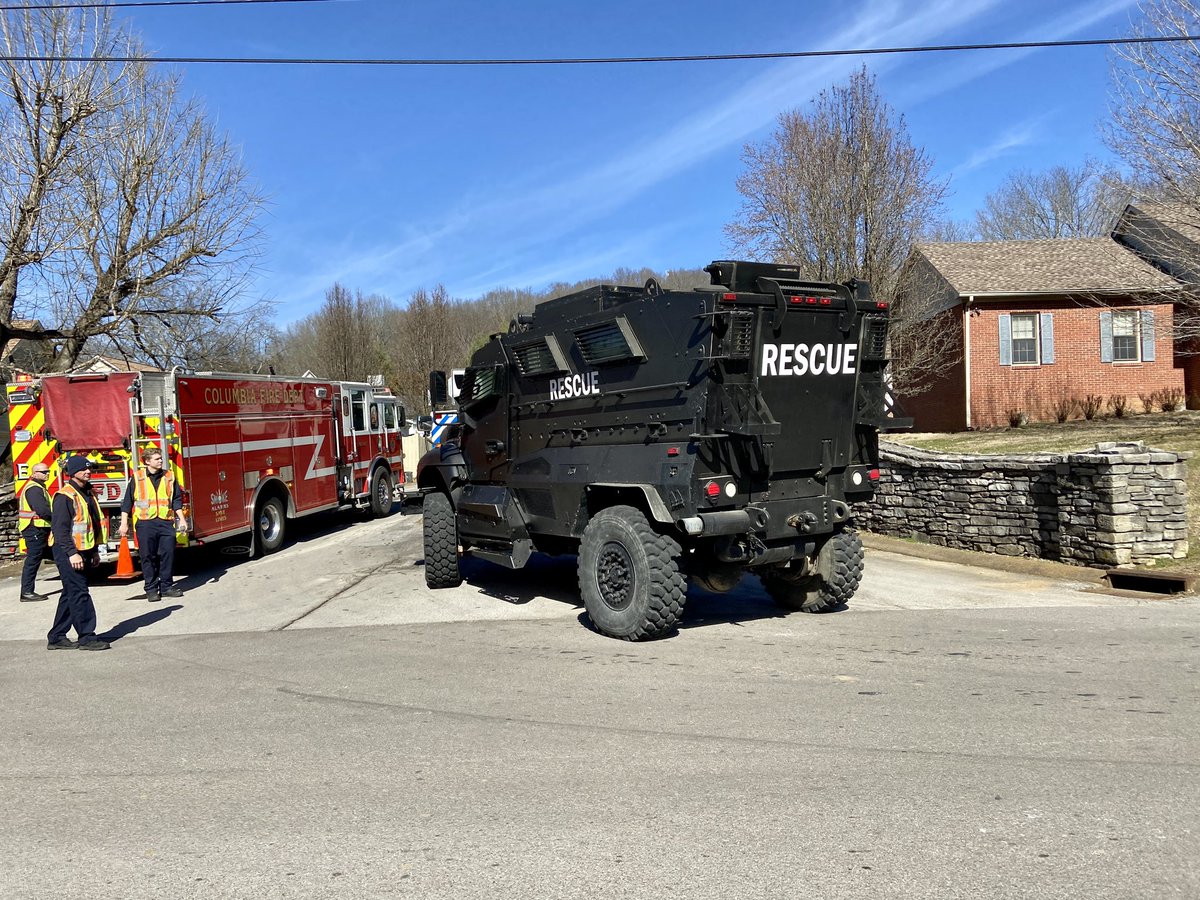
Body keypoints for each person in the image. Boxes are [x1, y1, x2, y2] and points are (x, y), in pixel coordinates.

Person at [47, 456, 109, 651]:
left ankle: (56, 636)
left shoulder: (87, 492)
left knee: (70, 593)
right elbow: (60, 530)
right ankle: (87, 637)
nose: (88, 471)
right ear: (73, 472)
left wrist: (95, 551)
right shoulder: (64, 496)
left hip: (84, 550)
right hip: (67, 551)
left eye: (89, 469)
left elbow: (94, 524)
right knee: (80, 593)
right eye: (83, 469)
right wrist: (72, 553)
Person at [118, 447, 186, 603]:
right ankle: (151, 589)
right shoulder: (138, 478)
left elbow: (176, 500)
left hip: (165, 521)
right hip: (145, 523)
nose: (161, 461)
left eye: (161, 458)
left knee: (167, 555)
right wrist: (123, 524)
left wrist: (181, 519)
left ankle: (167, 587)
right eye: (157, 459)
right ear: (147, 461)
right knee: (148, 556)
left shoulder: (169, 476)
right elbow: (127, 503)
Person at [18, 463, 53, 602]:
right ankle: (26, 592)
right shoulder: (34, 489)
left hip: (39, 528)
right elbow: (43, 511)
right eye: (44, 472)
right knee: (33, 560)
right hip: (34, 529)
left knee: (57, 554)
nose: (47, 474)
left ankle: (73, 581)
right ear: (34, 473)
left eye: (48, 471)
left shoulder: (39, 487)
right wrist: (57, 519)